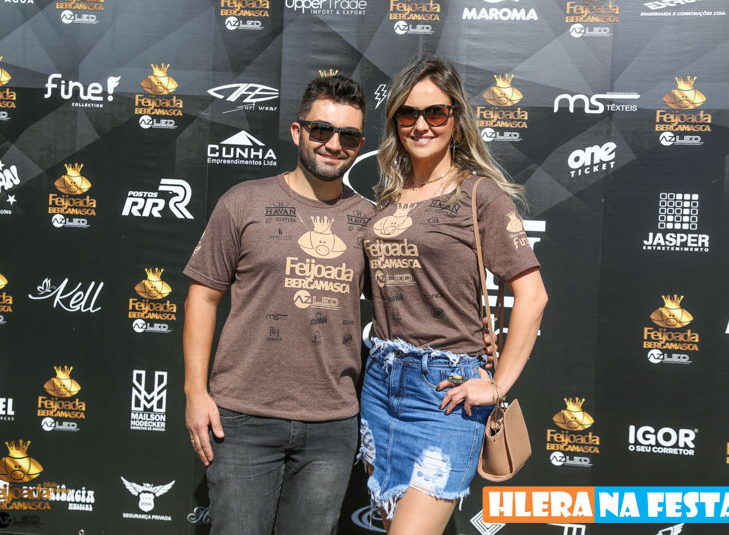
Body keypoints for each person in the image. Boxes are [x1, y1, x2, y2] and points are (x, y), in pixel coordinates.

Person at [359, 56, 548, 534]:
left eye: (435, 113)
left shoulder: (479, 195)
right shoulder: (387, 199)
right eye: (408, 113)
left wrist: (498, 386)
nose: (421, 125)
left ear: (456, 121)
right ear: (395, 122)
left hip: (444, 394)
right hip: (379, 385)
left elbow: (533, 296)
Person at [183, 75, 373, 535]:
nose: (334, 144)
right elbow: (202, 297)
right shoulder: (243, 203)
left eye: (348, 136)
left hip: (331, 425)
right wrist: (195, 393)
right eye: (321, 130)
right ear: (297, 131)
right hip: (241, 421)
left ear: (360, 145)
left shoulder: (372, 221)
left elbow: (404, 309)